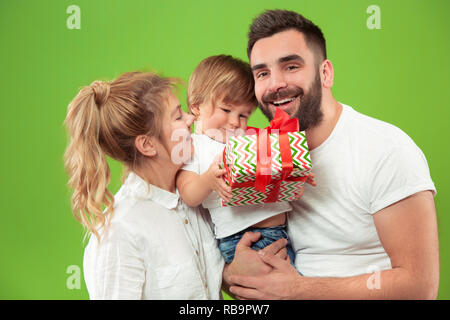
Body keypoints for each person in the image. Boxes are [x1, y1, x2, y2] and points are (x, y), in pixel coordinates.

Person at [224, 9, 439, 299]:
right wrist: (231, 274)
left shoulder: (386, 149)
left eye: (290, 66)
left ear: (325, 73)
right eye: (262, 73)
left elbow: (419, 286)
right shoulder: (261, 155)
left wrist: (299, 290)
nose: (275, 84)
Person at [64, 71, 224, 299]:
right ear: (148, 145)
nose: (191, 119)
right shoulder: (120, 231)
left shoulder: (195, 195)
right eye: (178, 117)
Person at [176, 55, 313, 266]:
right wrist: (209, 180)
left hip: (281, 235)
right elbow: (188, 193)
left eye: (243, 115)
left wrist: (296, 173)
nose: (234, 122)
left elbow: (274, 170)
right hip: (242, 239)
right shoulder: (195, 146)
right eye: (226, 110)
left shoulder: (249, 139)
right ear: (196, 107)